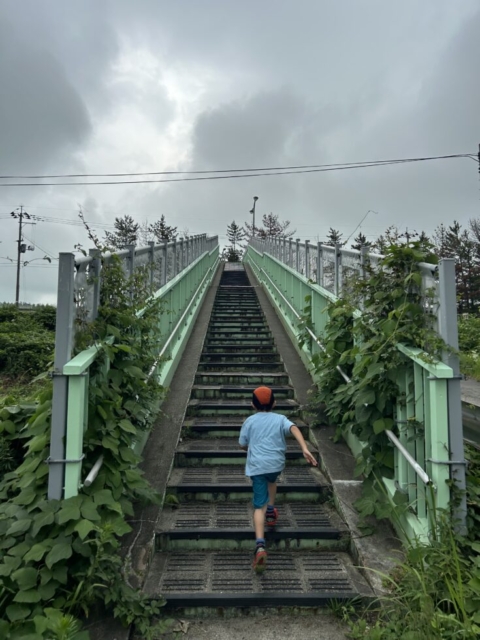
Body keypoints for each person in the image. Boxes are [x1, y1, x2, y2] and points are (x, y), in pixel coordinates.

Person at [239, 386, 318, 573]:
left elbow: (242, 444)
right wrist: (304, 448)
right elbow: (293, 428)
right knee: (272, 481)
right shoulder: (280, 419)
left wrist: (249, 448)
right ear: (274, 403)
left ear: (252, 404)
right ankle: (272, 510)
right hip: (275, 464)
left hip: (258, 466)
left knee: (258, 505)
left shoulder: (249, 422)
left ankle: (260, 545)